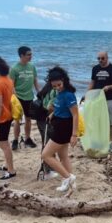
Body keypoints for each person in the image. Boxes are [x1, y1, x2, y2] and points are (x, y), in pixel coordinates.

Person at [41, 66, 79, 196]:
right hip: (59, 125)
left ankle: (67, 178)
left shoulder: (68, 94)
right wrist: (52, 114)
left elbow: (75, 115)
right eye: (54, 86)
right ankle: (70, 184)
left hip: (64, 129)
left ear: (64, 80)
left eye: (59, 85)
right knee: (63, 156)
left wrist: (74, 134)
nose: (57, 87)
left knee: (46, 155)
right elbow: (60, 108)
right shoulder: (60, 93)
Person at [0, 56, 17, 180]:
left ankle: (11, 170)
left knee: (4, 145)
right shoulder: (8, 80)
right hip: (9, 115)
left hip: (2, 118)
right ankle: (7, 166)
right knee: (4, 143)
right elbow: (12, 96)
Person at [88, 51, 112, 149]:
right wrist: (86, 94)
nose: (100, 60)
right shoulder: (95, 68)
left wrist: (109, 87)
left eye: (102, 58)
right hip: (97, 99)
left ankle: (110, 142)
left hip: (111, 99)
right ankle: (99, 141)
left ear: (107, 58)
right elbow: (92, 83)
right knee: (97, 121)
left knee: (111, 122)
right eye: (98, 58)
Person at [9, 46, 41, 150]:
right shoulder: (14, 68)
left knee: (28, 119)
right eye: (28, 54)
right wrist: (14, 98)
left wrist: (39, 93)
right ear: (21, 55)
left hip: (29, 97)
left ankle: (27, 138)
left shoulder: (32, 67)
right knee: (17, 119)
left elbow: (35, 81)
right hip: (18, 97)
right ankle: (15, 140)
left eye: (31, 54)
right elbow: (11, 85)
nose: (31, 56)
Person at [34, 80, 57, 179]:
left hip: (40, 119)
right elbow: (50, 107)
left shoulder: (46, 88)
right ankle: (47, 171)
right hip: (45, 119)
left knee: (47, 143)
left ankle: (51, 167)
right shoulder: (53, 90)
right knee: (47, 144)